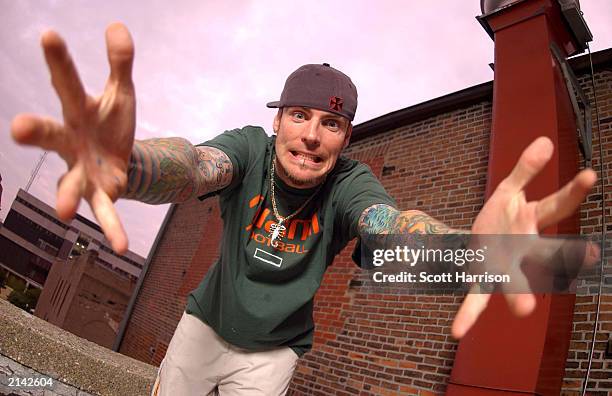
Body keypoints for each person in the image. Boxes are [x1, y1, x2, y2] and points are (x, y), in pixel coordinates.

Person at [10, 23, 597, 395]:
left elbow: (388, 229)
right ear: (278, 119)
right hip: (204, 329)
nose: (312, 136)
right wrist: (128, 163)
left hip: (273, 355)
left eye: (332, 124)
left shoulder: (349, 185)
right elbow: (193, 165)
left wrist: (467, 255)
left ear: (346, 137)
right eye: (300, 117)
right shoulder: (249, 149)